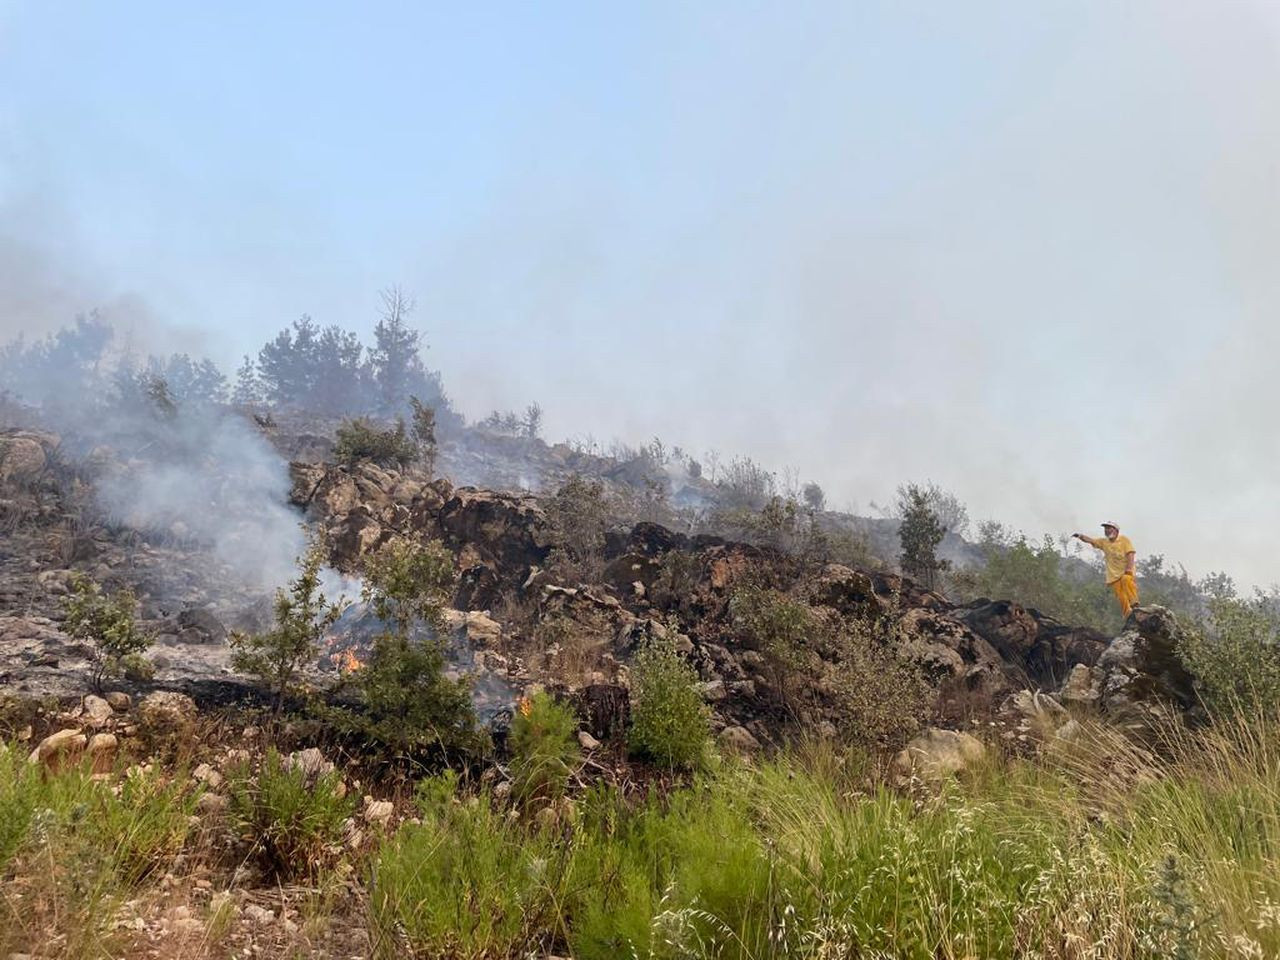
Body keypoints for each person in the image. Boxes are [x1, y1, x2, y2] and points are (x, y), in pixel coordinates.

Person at [1073, 522, 1138, 616]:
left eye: (1109, 528)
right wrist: (1080, 536)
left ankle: (1134, 604)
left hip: (1126, 571)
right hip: (1114, 575)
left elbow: (1130, 554)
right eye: (1105, 529)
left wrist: (1129, 569)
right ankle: (1128, 615)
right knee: (1121, 596)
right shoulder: (1104, 542)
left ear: (1116, 530)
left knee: (1126, 580)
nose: (1107, 531)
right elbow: (1091, 541)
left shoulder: (1124, 540)